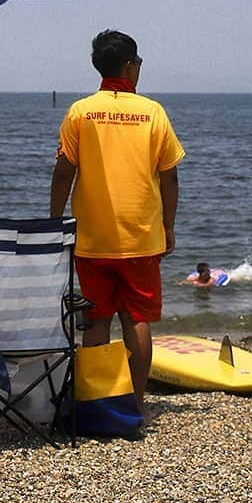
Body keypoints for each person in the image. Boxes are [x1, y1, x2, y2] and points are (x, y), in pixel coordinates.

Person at [49, 29, 184, 410]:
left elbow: (63, 172)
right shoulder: (152, 112)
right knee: (136, 320)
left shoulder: (81, 111)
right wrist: (168, 225)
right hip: (141, 236)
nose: (140, 67)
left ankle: (98, 403)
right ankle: (135, 404)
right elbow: (169, 175)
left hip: (91, 239)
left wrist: (55, 221)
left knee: (95, 320)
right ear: (128, 65)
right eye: (138, 62)